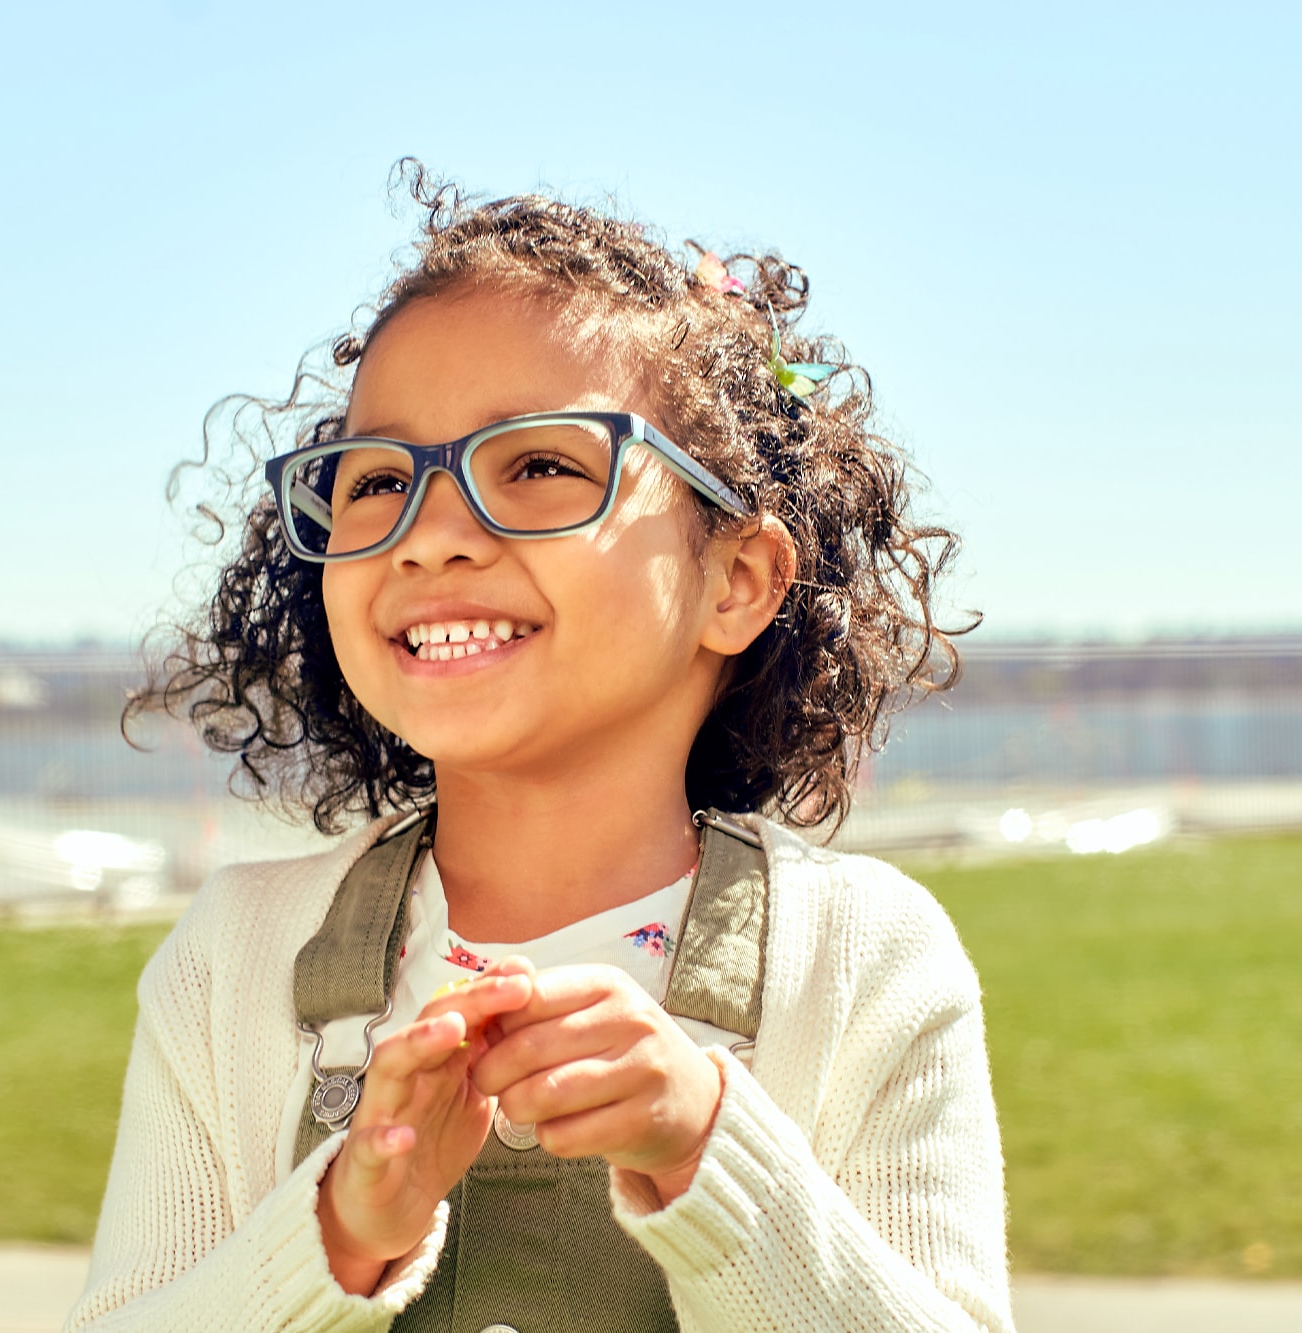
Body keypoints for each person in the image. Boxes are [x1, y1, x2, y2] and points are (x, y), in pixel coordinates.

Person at [65, 166, 1012, 1332]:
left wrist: (702, 1151)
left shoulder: (864, 962)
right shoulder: (236, 961)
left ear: (736, 580)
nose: (430, 533)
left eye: (542, 465)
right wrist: (342, 1238)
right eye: (375, 481)